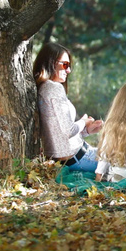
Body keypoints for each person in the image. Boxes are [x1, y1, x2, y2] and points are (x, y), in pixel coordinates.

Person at [33, 42, 103, 172]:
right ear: (51, 63)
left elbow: (59, 136)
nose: (68, 70)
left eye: (69, 65)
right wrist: (83, 122)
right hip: (80, 159)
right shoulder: (54, 88)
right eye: (65, 65)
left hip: (76, 158)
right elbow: (67, 131)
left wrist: (87, 130)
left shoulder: (44, 88)